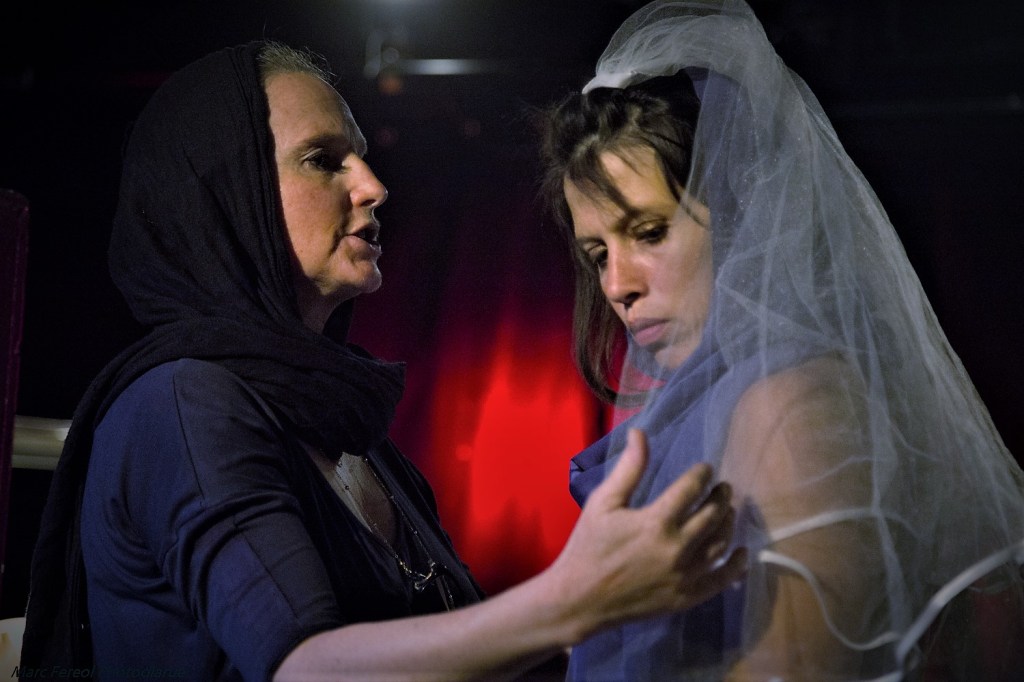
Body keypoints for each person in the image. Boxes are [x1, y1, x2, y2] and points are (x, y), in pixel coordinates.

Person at [17, 40, 748, 681]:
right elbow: (304, 668)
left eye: (360, 156)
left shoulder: (348, 426)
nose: (373, 185)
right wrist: (578, 598)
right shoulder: (182, 402)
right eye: (323, 160)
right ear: (226, 195)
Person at [539, 0, 1024, 679]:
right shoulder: (728, 403)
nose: (618, 285)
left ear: (745, 218)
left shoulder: (790, 405)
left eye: (649, 232)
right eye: (597, 254)